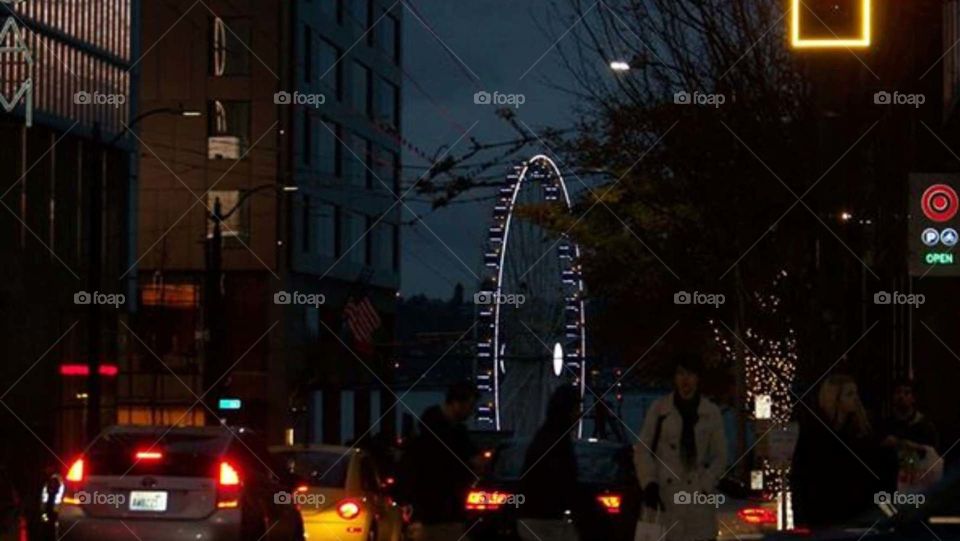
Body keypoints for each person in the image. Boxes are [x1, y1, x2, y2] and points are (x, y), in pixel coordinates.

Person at [635, 354, 728, 541]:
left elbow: (720, 455)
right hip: (665, 497)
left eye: (690, 374)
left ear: (698, 378)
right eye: (680, 374)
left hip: (698, 499)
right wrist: (649, 483)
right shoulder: (659, 409)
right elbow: (642, 450)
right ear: (674, 378)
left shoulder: (710, 412)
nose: (685, 380)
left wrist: (706, 483)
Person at [791, 374, 889, 528]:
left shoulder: (860, 432)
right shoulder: (814, 433)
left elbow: (873, 475)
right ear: (834, 397)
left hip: (856, 515)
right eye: (849, 394)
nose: (855, 399)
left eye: (856, 393)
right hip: (822, 516)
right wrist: (801, 519)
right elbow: (800, 478)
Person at [397, 381, 481, 541]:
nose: (471, 412)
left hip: (426, 513)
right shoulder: (455, 437)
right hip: (445, 512)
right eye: (470, 406)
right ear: (456, 404)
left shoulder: (424, 435)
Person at [519, 386, 583, 541]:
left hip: (536, 515)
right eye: (576, 409)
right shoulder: (557, 441)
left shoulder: (546, 436)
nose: (579, 415)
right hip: (547, 518)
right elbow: (562, 479)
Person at [881, 379, 940, 491]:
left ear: (913, 398)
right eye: (898, 392)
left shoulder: (925, 425)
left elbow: (932, 455)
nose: (901, 396)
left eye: (906, 393)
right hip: (890, 483)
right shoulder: (886, 424)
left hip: (917, 482)